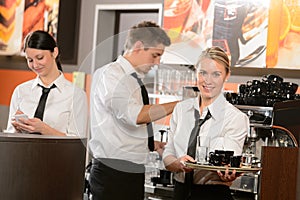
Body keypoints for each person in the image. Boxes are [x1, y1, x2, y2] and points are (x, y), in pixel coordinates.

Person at [88, 21, 179, 200]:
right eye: (155, 55)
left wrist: (149, 143)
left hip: (131, 172)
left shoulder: (132, 79)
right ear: (138, 47)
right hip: (112, 174)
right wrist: (179, 105)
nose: (157, 62)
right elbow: (136, 115)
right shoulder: (112, 75)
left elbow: (120, 125)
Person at [163, 46, 249, 200]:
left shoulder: (235, 118)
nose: (208, 80)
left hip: (212, 195)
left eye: (216, 74)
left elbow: (229, 166)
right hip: (179, 192)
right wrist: (178, 164)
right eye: (203, 73)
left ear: (226, 76)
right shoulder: (181, 110)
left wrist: (227, 175)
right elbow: (167, 157)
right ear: (196, 73)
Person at [6, 30, 88, 137]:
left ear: (54, 52)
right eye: (30, 60)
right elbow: (9, 136)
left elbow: (77, 142)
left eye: (40, 58)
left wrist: (44, 129)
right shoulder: (20, 91)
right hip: (24, 153)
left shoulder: (76, 95)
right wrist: (16, 129)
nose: (35, 65)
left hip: (57, 154)